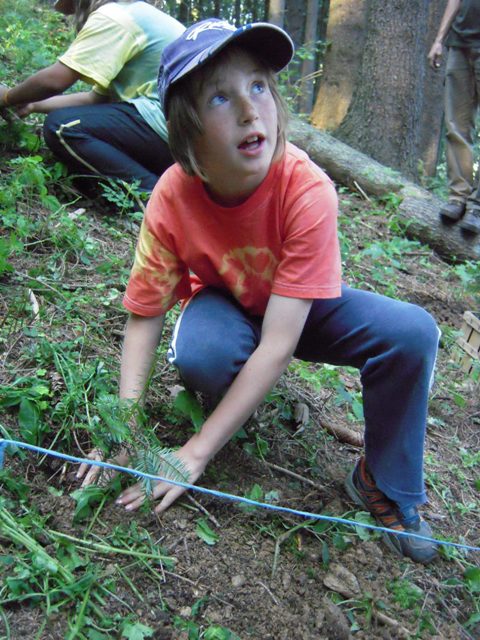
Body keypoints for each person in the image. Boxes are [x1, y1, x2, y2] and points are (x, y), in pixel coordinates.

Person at [77, 19, 441, 564]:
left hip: (299, 308)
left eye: (258, 86)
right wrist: (123, 423)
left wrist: (195, 452)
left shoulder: (307, 189)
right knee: (205, 354)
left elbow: (279, 344)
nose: (250, 110)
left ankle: (381, 480)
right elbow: (146, 313)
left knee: (412, 332)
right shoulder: (172, 197)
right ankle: (230, 396)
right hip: (224, 301)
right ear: (187, 132)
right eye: (220, 97)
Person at [0, 0, 184, 193]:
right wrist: (33, 105)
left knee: (63, 127)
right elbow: (95, 99)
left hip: (167, 130)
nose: (75, 17)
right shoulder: (138, 16)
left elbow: (55, 80)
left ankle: (153, 197)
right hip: (183, 139)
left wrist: (8, 97)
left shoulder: (115, 16)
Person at [428, 0, 480, 234]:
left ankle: (477, 207)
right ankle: (458, 197)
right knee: (456, 125)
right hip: (460, 43)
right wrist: (439, 39)